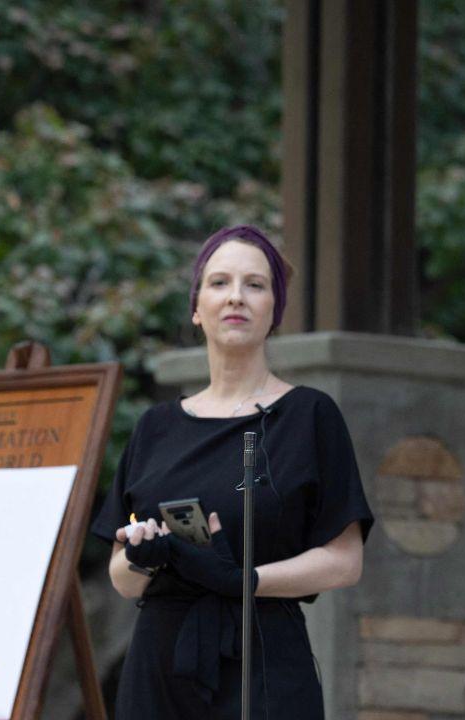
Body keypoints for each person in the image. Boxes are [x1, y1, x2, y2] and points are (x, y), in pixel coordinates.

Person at [91, 225, 373, 720]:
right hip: (159, 666)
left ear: (274, 311)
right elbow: (123, 580)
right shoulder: (154, 427)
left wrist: (242, 579)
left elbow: (345, 561)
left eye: (255, 285)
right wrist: (144, 555)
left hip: (261, 660)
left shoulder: (309, 415)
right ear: (197, 309)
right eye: (219, 283)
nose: (236, 297)